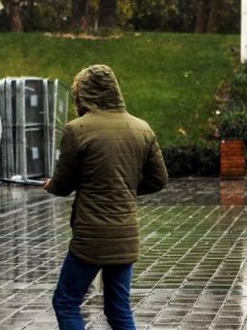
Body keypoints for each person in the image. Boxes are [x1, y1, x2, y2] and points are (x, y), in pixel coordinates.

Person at [43, 64, 168, 330]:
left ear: (84, 95)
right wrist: (124, 187)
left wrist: (52, 185)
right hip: (125, 236)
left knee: (66, 301)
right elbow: (159, 179)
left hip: (90, 237)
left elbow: (64, 185)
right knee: (118, 308)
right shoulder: (142, 128)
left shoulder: (77, 130)